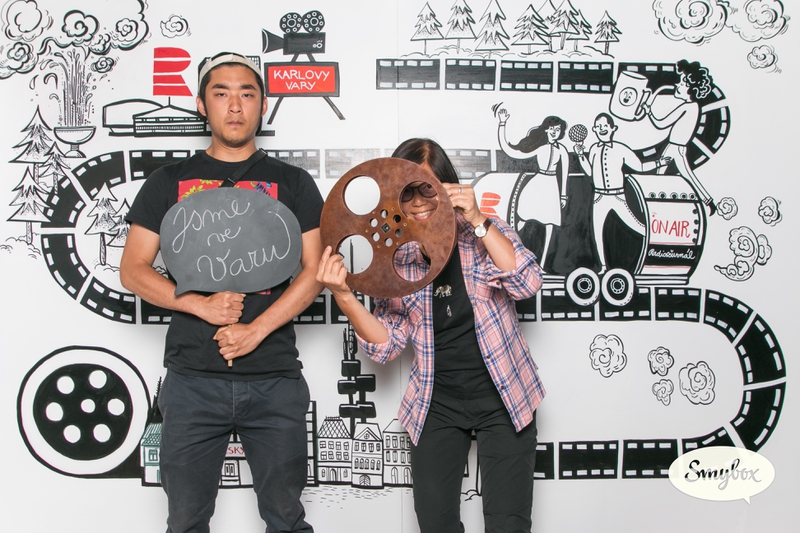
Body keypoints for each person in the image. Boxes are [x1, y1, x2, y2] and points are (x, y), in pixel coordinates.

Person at [120, 52, 322, 533]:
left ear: (263, 106)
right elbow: (132, 270)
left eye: (247, 94)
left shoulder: (293, 182)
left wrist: (255, 330)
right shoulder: (168, 181)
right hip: (192, 380)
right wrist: (199, 305)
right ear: (201, 105)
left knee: (287, 520)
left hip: (274, 378)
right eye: (221, 93)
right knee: (186, 522)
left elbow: (315, 272)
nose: (235, 105)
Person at [317, 138, 545, 533]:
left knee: (509, 524)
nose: (420, 201)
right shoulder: (398, 259)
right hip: (436, 404)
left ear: (447, 187)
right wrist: (344, 296)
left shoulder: (483, 234)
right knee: (435, 524)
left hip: (505, 397)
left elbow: (527, 282)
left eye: (428, 188)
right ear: (394, 199)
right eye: (408, 192)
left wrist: (479, 220)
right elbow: (386, 346)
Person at [575, 113, 671, 274]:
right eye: (598, 126)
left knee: (637, 226)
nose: (602, 129)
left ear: (613, 128)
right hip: (599, 197)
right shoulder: (593, 149)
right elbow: (590, 172)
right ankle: (603, 267)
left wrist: (659, 163)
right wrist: (580, 155)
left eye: (605, 126)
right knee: (597, 232)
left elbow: (639, 167)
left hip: (617, 196)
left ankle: (657, 248)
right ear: (594, 130)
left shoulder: (621, 149)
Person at [496, 110, 570, 271]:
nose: (555, 132)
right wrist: (502, 124)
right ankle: (515, 259)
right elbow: (511, 152)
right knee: (521, 219)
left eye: (558, 129)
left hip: (551, 188)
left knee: (550, 225)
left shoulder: (562, 150)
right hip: (536, 185)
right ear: (546, 130)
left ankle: (542, 265)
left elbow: (564, 173)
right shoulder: (540, 148)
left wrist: (563, 195)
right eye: (552, 129)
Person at [641, 59, 716, 215]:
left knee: (679, 176)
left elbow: (661, 123)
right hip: (674, 147)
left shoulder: (688, 107)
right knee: (665, 175)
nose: (677, 85)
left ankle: (706, 202)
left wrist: (648, 111)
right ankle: (706, 201)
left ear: (690, 89)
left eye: (682, 83)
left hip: (676, 148)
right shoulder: (694, 107)